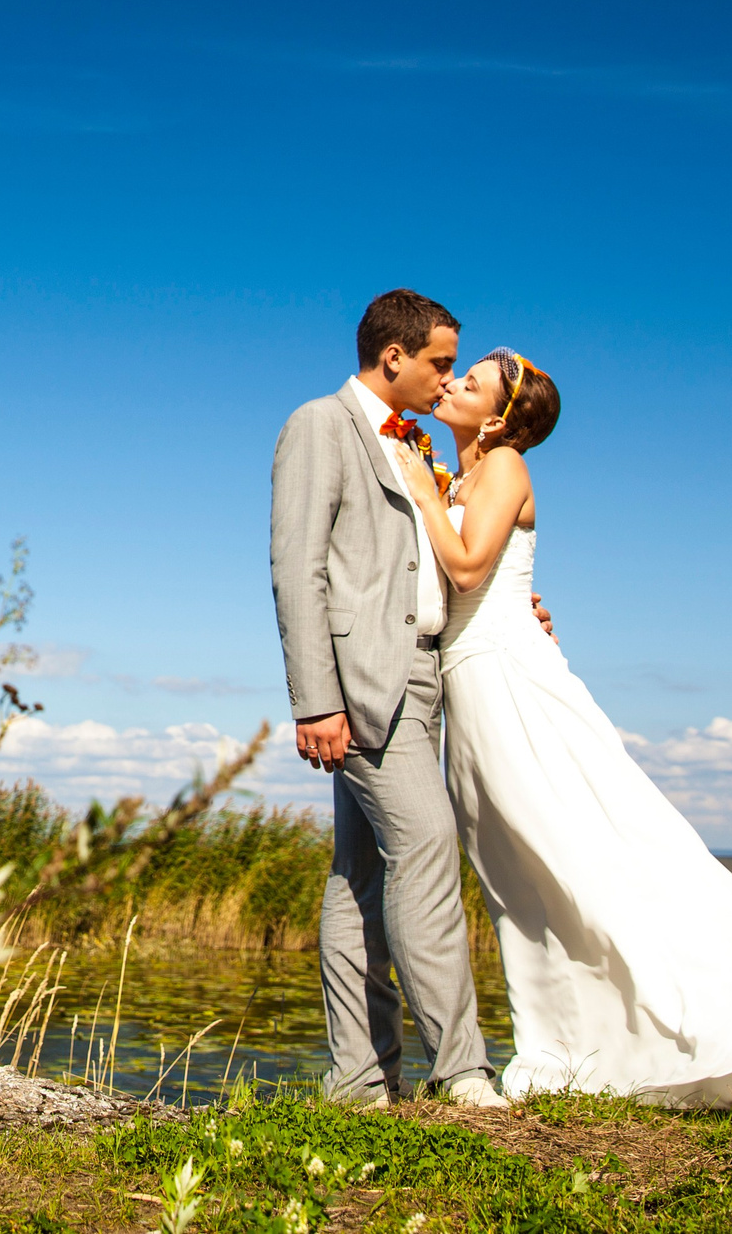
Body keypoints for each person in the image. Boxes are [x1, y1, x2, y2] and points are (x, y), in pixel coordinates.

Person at [395, 349, 732, 1112]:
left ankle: (696, 1021)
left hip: (508, 681)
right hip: (473, 682)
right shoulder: (467, 477)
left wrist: (423, 493)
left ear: (496, 418)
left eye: (471, 381)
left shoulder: (503, 468)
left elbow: (464, 568)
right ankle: (568, 1036)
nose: (453, 383)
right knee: (517, 869)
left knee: (576, 850)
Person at [270, 289, 505, 1107]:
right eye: (440, 363)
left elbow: (422, 563)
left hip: (426, 678)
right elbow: (297, 567)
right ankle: (463, 1069)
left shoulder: (414, 445)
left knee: (358, 877)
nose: (446, 381)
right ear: (393, 355)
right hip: (365, 681)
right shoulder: (318, 425)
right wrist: (314, 700)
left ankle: (361, 1081)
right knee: (429, 844)